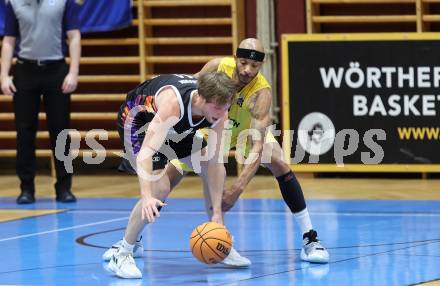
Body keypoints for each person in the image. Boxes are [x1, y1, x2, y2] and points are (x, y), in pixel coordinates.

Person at [166, 38, 330, 265]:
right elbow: (187, 93)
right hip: (211, 127)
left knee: (280, 162)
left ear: (260, 66)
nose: (247, 70)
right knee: (170, 173)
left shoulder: (261, 93)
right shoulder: (216, 67)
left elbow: (258, 145)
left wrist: (237, 188)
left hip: (245, 132)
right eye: (243, 63)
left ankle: (310, 238)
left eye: (254, 66)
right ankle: (132, 241)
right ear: (235, 58)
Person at [104, 72, 236, 279]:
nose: (222, 113)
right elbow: (145, 153)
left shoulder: (219, 110)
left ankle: (218, 237)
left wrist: (217, 214)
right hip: (138, 120)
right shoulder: (174, 104)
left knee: (206, 164)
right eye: (218, 107)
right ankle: (122, 253)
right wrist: (147, 196)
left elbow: (215, 163)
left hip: (174, 127)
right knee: (159, 189)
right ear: (201, 98)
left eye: (226, 107)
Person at [1, 0, 81, 204]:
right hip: (25, 70)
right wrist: (3, 75)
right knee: (24, 132)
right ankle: (26, 188)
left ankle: (64, 188)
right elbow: (9, 40)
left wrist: (73, 72)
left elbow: (73, 36)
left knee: (61, 132)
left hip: (56, 70)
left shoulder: (64, 2)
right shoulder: (14, 3)